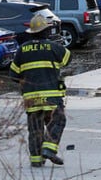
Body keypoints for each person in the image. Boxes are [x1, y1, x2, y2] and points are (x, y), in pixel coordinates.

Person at [10, 14, 71, 168]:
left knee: (35, 128)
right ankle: (49, 148)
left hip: (31, 98)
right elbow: (67, 59)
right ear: (45, 32)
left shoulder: (22, 50)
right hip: (52, 97)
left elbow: (13, 75)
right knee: (58, 120)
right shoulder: (53, 46)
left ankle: (37, 160)